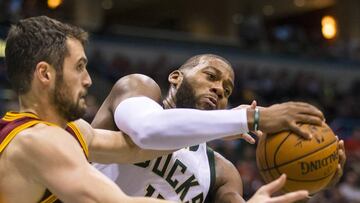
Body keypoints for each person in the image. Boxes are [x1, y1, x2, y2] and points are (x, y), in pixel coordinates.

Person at [92, 54, 346, 202]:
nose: (218, 89)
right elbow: (148, 131)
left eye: (226, 91)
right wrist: (252, 118)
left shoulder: (222, 171)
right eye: (211, 77)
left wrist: (312, 183)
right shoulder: (139, 88)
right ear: (176, 77)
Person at [0, 15, 177, 203]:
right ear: (45, 74)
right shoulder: (38, 141)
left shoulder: (67, 129)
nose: (88, 80)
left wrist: (200, 124)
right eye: (79, 67)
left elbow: (132, 149)